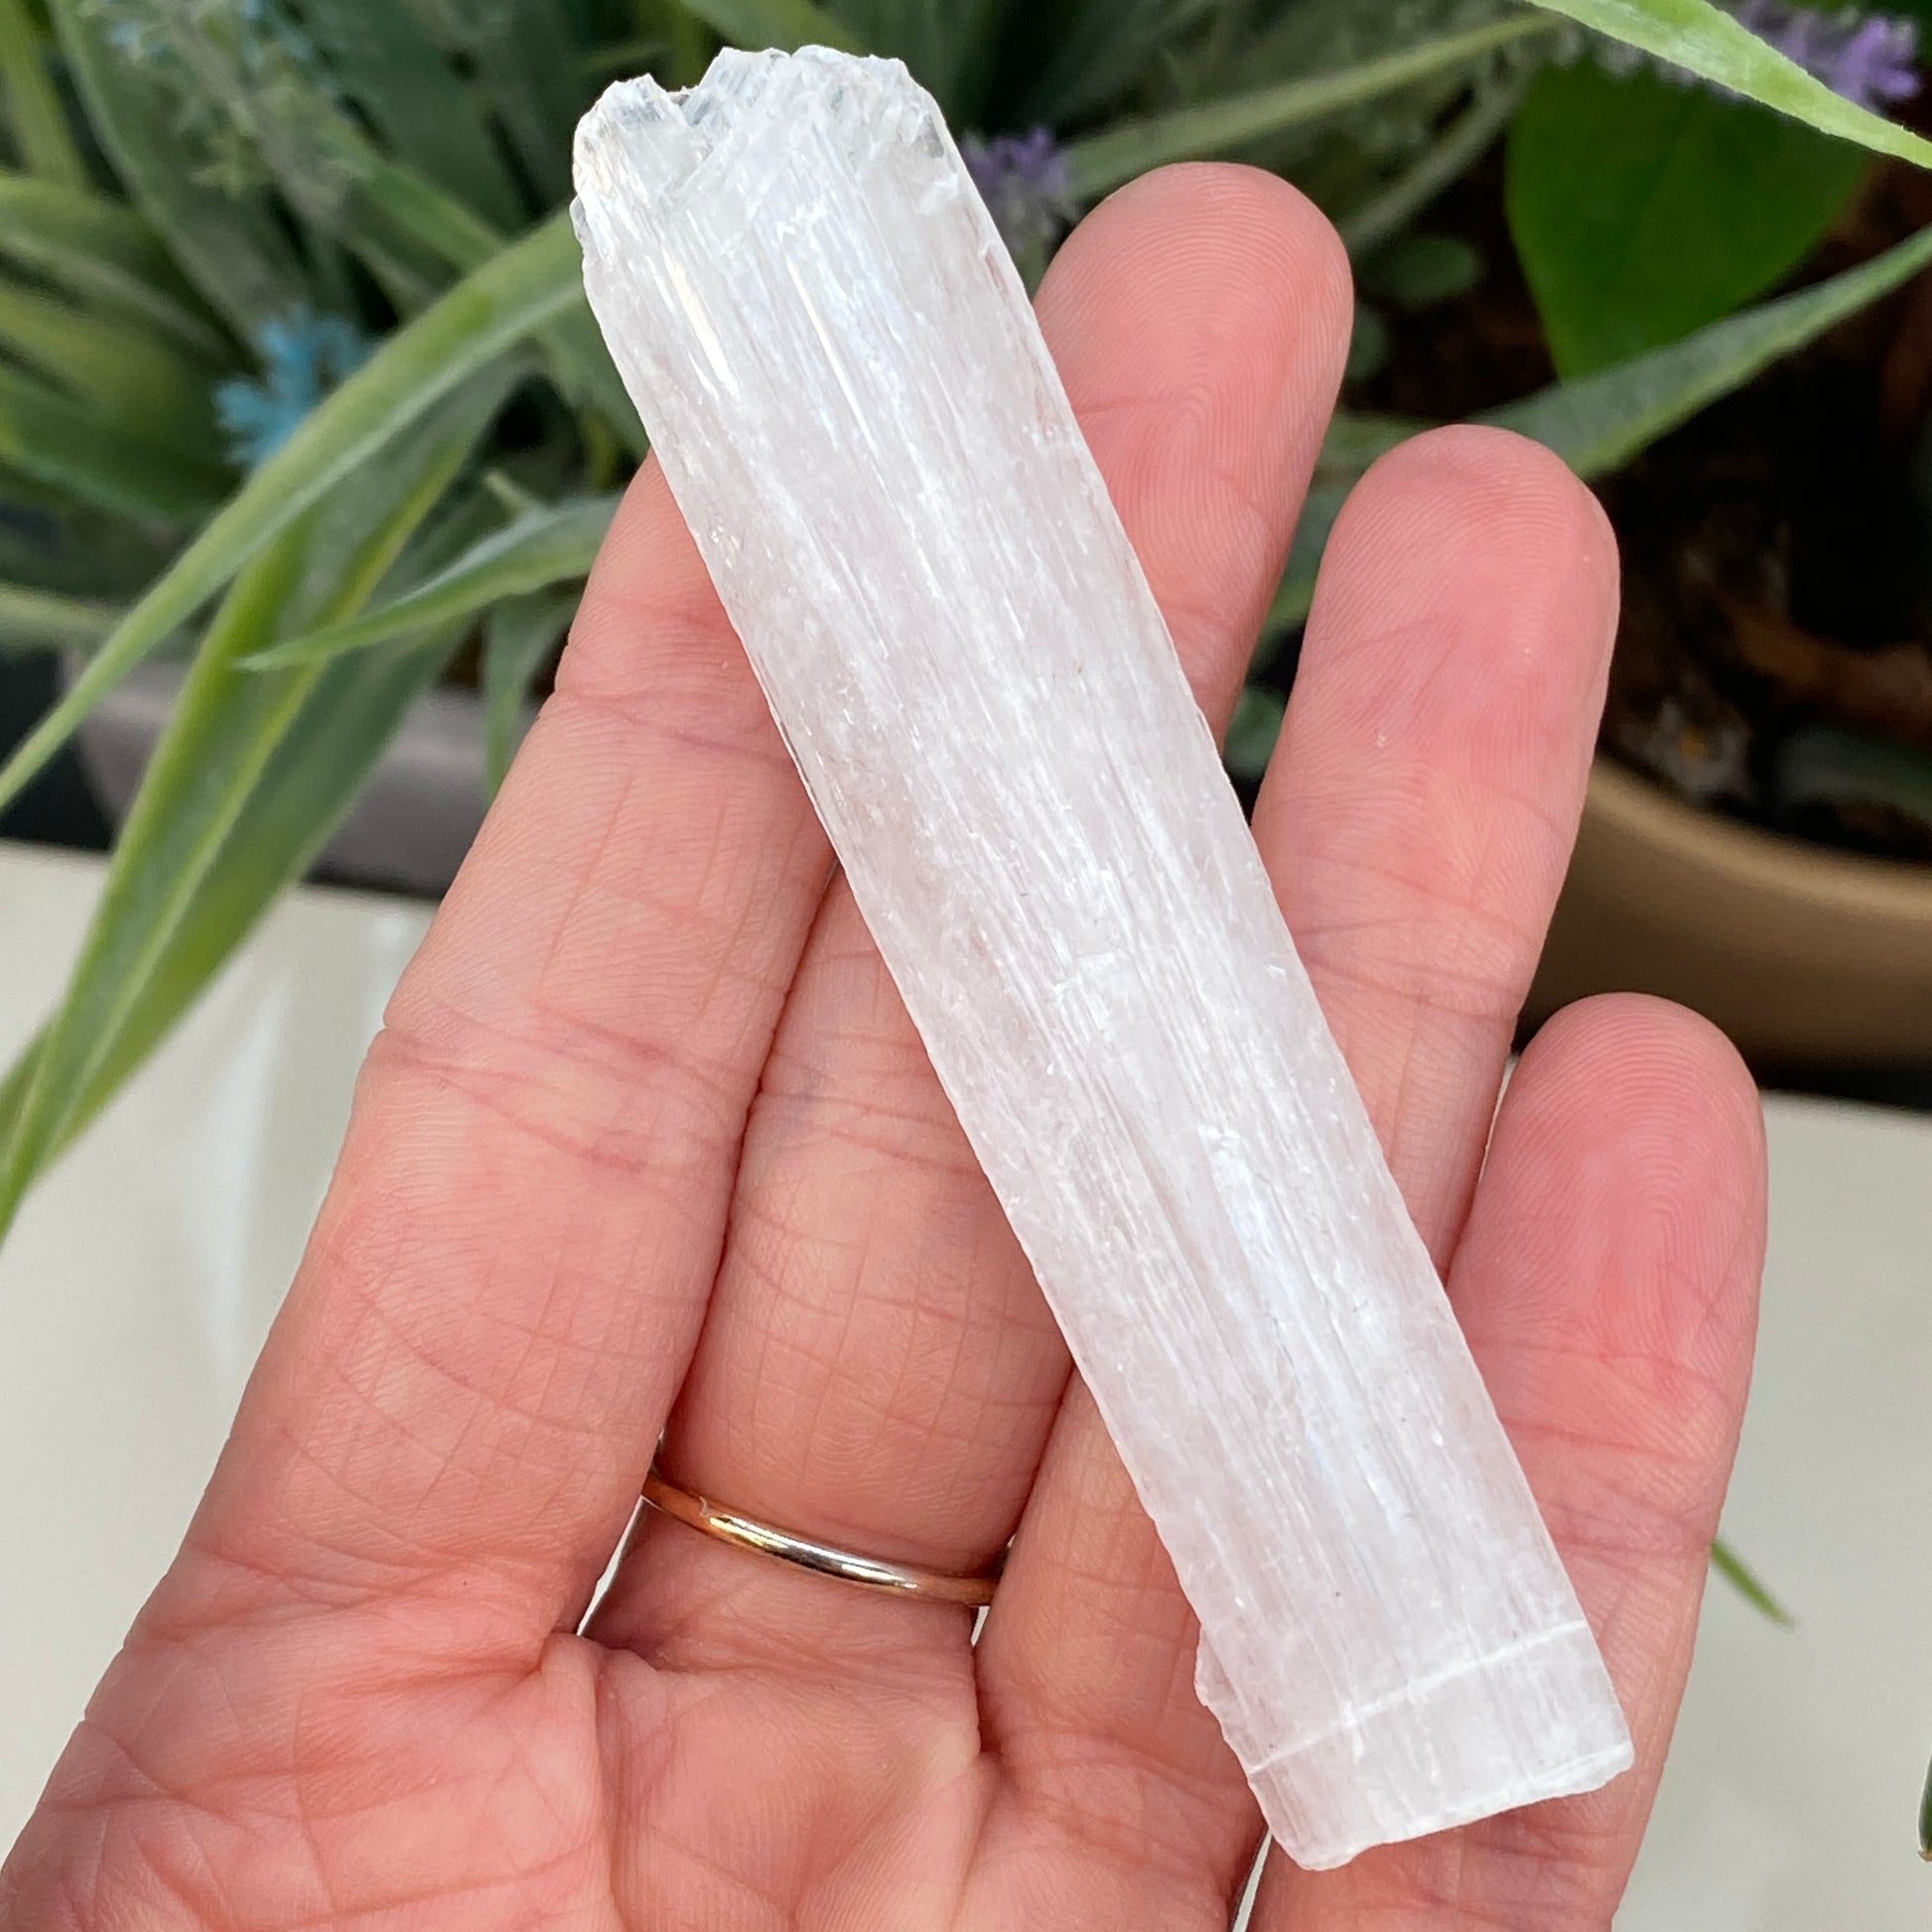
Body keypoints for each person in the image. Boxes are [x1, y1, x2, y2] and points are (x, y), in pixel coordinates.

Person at [0, 165, 1765, 1930]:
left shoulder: (776, 252)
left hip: (1406, 1660)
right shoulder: (757, 262)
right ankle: (1417, 1687)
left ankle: (1421, 1680)